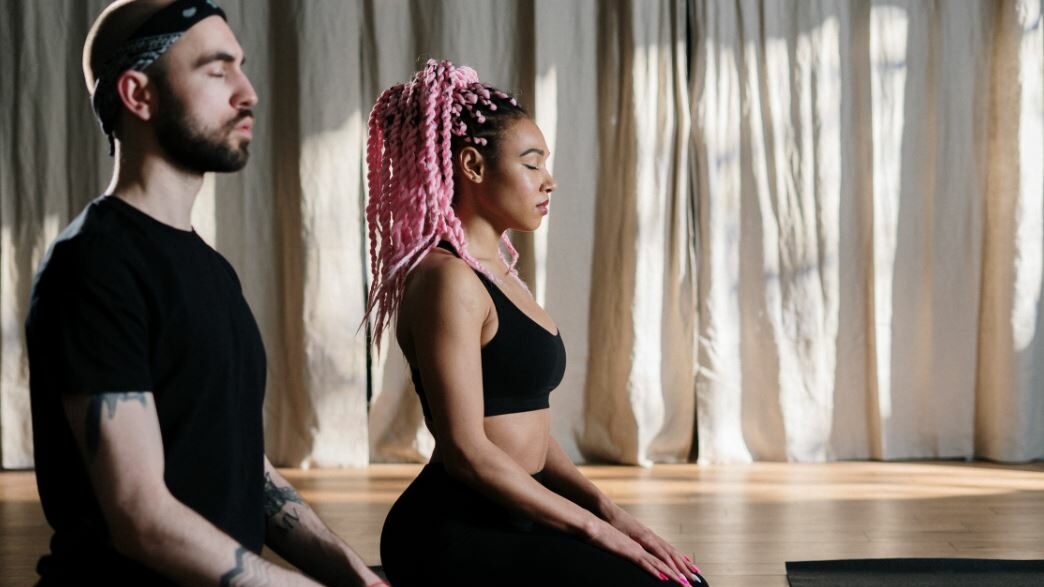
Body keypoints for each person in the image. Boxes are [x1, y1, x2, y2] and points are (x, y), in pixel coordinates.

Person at [24, 1, 386, 586]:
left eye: (241, 67)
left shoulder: (212, 270)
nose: (248, 93)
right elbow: (142, 520)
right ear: (138, 95)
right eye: (217, 71)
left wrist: (354, 575)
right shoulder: (93, 265)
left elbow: (245, 467)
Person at [365, 60, 709, 587]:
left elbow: (527, 429)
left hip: (519, 511)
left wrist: (610, 512)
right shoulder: (447, 280)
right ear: (472, 165)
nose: (549, 181)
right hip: (455, 529)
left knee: (686, 583)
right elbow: (467, 452)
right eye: (531, 164)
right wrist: (594, 530)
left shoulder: (499, 272)